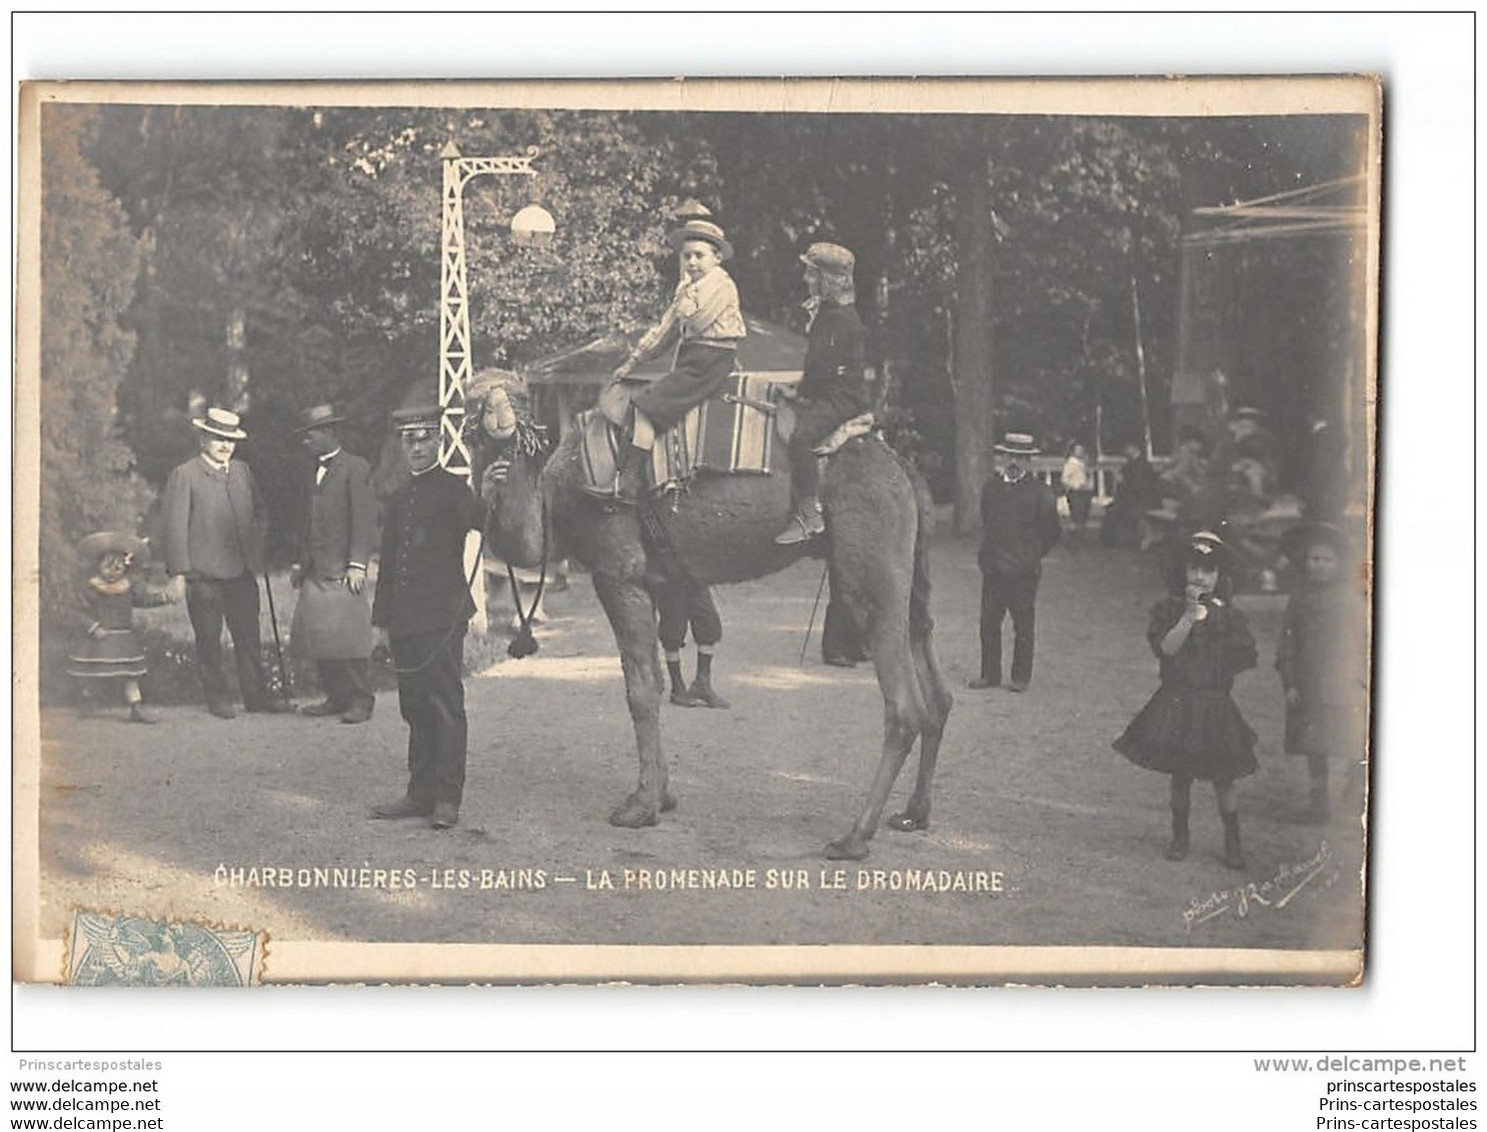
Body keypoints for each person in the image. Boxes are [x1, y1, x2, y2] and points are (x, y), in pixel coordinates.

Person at [370, 404, 491, 830]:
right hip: (405, 622)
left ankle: (447, 798)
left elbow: (481, 520)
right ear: (402, 446)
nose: (417, 447)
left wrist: (493, 490)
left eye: (424, 438)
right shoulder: (400, 497)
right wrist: (381, 626)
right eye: (409, 439)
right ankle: (419, 794)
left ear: (439, 440)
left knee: (445, 707)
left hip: (442, 619)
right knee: (414, 707)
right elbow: (388, 566)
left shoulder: (455, 489)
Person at [1113, 530, 1258, 869]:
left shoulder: (1230, 617)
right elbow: (1166, 649)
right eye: (1193, 568)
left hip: (1215, 705)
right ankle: (1180, 835)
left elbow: (1242, 657)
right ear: (1182, 571)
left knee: (1224, 777)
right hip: (1178, 702)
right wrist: (1188, 618)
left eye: (1208, 571)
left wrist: (1217, 627)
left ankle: (1232, 841)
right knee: (1181, 773)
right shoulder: (1171, 610)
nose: (1199, 576)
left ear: (1220, 577)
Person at [161, 407, 291, 719]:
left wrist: (256, 545)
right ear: (203, 438)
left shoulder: (243, 471)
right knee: (209, 639)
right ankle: (218, 698)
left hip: (243, 571)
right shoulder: (185, 474)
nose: (225, 445)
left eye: (230, 440)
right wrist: (178, 572)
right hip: (203, 575)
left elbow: (260, 511)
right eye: (218, 438)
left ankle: (256, 696)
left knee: (249, 637)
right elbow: (174, 527)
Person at [610, 216, 746, 499]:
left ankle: (632, 478)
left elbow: (696, 321)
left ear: (717, 258)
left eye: (700, 256)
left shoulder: (721, 284)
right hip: (692, 357)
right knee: (640, 400)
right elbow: (665, 330)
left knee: (645, 406)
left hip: (712, 358)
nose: (692, 263)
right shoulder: (687, 288)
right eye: (687, 256)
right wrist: (633, 361)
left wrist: (685, 295)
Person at [775, 241, 872, 545]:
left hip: (842, 398)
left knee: (801, 438)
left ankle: (809, 512)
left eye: (812, 274)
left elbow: (823, 369)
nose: (806, 279)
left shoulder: (840, 318)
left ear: (827, 280)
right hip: (828, 391)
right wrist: (798, 389)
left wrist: (802, 392)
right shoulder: (830, 313)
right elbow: (817, 365)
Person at [289, 403, 379, 725]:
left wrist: (357, 564)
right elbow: (306, 521)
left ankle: (360, 700)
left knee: (350, 636)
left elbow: (364, 520)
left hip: (343, 569)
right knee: (320, 637)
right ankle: (336, 697)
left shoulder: (356, 468)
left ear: (329, 433)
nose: (305, 441)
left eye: (310, 434)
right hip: (315, 567)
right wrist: (300, 563)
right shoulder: (309, 470)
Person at [1275, 521, 1369, 824]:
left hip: (1346, 683)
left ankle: (1356, 788)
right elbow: (1287, 643)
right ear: (1305, 561)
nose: (1320, 565)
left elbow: (1364, 640)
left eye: (1327, 560)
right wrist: (1290, 681)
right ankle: (1318, 801)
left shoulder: (1354, 601)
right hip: (1309, 684)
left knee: (1354, 740)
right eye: (1315, 559)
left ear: (1339, 563)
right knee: (1314, 744)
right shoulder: (1298, 599)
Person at [970, 432, 1061, 693]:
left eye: (1021, 457)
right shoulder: (991, 488)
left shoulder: (1041, 493)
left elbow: (1051, 532)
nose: (1014, 462)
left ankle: (1020, 677)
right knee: (988, 623)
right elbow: (988, 522)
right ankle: (990, 674)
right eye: (1010, 456)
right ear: (1002, 457)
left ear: (1029, 461)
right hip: (994, 567)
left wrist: (1031, 554)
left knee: (1023, 625)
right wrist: (989, 556)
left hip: (1023, 571)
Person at [67, 531, 171, 723]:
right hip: (100, 636)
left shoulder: (128, 585)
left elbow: (143, 599)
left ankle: (136, 707)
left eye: (118, 567)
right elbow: (78, 611)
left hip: (123, 638)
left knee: (130, 674)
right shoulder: (92, 587)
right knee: (95, 671)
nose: (113, 572)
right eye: (107, 567)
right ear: (98, 566)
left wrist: (164, 597)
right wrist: (93, 626)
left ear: (125, 568)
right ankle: (87, 699)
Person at [656, 580, 729, 709]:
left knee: (708, 624)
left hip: (695, 574)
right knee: (672, 630)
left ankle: (702, 684)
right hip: (670, 575)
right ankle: (677, 687)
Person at [1060, 441, 1095, 538]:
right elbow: (1064, 479)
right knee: (1077, 515)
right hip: (1076, 492)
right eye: (1078, 450)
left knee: (1084, 515)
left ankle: (1080, 535)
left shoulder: (1084, 463)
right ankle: (1074, 537)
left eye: (1081, 450)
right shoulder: (1071, 464)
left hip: (1086, 491)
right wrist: (1075, 486)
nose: (1080, 452)